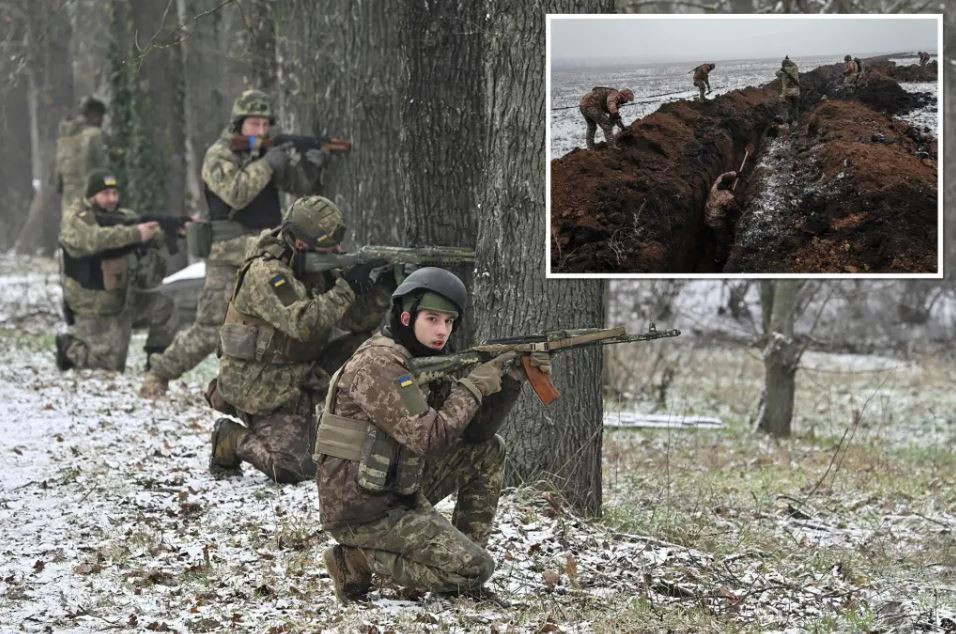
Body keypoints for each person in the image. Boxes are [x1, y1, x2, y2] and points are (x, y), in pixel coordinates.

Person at [314, 267, 550, 604]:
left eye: (449, 322)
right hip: (362, 509)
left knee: (488, 451)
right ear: (407, 318)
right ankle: (354, 559)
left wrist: (510, 380)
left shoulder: (421, 360)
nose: (442, 331)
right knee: (476, 568)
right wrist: (472, 386)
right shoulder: (379, 365)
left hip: (395, 487)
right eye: (432, 319)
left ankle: (462, 563)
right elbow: (431, 439)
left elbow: (475, 434)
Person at [140, 89, 329, 398]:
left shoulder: (261, 154)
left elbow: (296, 187)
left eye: (265, 125)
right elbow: (236, 193)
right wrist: (269, 163)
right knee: (211, 327)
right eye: (254, 124)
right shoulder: (220, 155)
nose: (261, 131)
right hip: (227, 256)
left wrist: (310, 164)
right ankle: (159, 373)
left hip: (265, 254)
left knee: (279, 321)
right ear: (238, 124)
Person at [207, 195, 393, 484]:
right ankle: (230, 437)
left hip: (299, 375)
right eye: (329, 245)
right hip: (260, 389)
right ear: (302, 243)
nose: (338, 251)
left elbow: (354, 322)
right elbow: (303, 323)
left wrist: (380, 291)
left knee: (368, 347)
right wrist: (347, 287)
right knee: (292, 468)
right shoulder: (266, 273)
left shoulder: (312, 265)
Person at [56, 169, 178, 372]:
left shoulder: (123, 216)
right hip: (93, 305)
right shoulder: (75, 218)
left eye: (115, 194)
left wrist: (171, 229)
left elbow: (147, 230)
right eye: (105, 194)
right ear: (91, 196)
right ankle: (69, 347)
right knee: (108, 367)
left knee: (165, 308)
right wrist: (135, 234)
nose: (112, 199)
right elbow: (94, 240)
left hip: (124, 298)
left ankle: (155, 366)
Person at [54, 96, 108, 212]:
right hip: (90, 200)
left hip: (68, 205)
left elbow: (58, 180)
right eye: (101, 117)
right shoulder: (94, 135)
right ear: (94, 115)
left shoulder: (64, 137)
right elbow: (105, 168)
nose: (101, 122)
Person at [704, 171, 738, 268]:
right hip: (716, 221)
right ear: (731, 184)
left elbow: (721, 175)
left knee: (710, 233)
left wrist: (734, 174)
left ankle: (707, 246)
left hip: (707, 215)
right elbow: (732, 209)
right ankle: (717, 260)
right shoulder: (727, 197)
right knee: (721, 240)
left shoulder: (715, 186)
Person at [775, 56, 801, 126]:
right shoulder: (795, 68)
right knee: (795, 107)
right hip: (796, 92)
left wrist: (783, 66)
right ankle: (795, 122)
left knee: (785, 108)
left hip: (786, 93)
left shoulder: (783, 71)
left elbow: (776, 73)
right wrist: (789, 61)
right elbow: (794, 65)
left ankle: (786, 123)